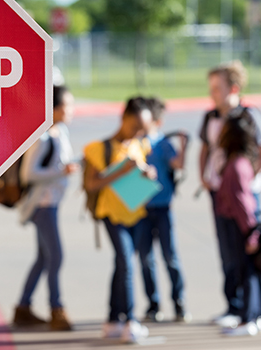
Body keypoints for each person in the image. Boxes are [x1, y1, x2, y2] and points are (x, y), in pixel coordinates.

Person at [198, 60, 261, 329]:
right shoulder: (211, 117)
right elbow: (205, 149)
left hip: (241, 191)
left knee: (252, 250)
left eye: (217, 87)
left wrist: (252, 179)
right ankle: (236, 306)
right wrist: (205, 176)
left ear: (233, 88)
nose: (213, 93)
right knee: (229, 252)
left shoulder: (247, 116)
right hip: (219, 190)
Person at [83, 97, 156, 343]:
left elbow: (146, 169)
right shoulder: (100, 148)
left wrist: (148, 173)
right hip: (111, 213)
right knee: (126, 262)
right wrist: (120, 172)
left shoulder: (141, 144)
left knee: (122, 264)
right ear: (124, 118)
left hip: (135, 211)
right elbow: (91, 184)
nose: (138, 132)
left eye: (142, 129)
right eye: (135, 126)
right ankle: (131, 319)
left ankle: (113, 318)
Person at [13, 85, 80, 331]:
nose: (71, 110)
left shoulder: (59, 132)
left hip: (52, 202)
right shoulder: (41, 138)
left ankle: (23, 307)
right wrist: (61, 171)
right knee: (56, 256)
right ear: (53, 109)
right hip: (42, 205)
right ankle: (56, 308)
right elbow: (28, 174)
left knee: (43, 258)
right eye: (67, 105)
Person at [136, 97, 192, 323]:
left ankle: (178, 301)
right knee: (145, 258)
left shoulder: (162, 144)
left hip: (163, 207)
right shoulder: (135, 144)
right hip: (141, 208)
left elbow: (178, 164)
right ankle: (153, 303)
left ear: (156, 121)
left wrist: (184, 146)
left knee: (171, 257)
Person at [215, 114, 261, 337]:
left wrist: (251, 234)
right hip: (238, 224)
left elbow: (242, 203)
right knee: (245, 271)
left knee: (246, 272)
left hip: (239, 226)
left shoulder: (236, 166)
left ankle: (248, 318)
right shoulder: (238, 161)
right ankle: (252, 315)